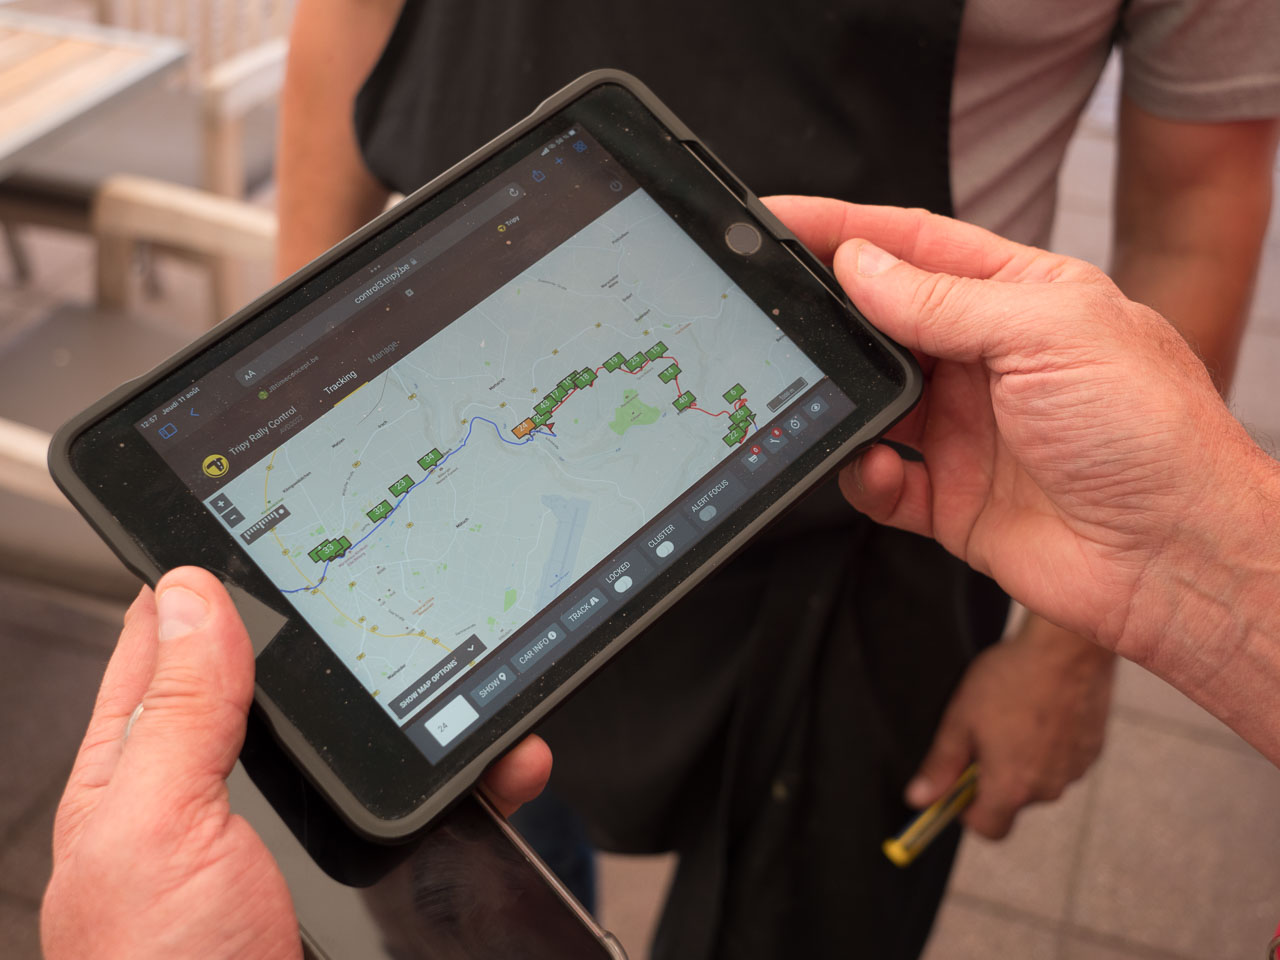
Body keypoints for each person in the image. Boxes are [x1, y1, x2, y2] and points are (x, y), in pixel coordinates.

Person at [274, 5, 1279, 956]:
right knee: (478, 919)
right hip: (451, 469)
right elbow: (351, 18)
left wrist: (1074, 651)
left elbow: (1194, 210)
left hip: (885, 493)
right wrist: (285, 387)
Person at [42, 199, 1280, 958]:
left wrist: (1119, 615)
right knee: (480, 839)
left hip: (870, 537)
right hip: (520, 560)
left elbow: (1196, 201)